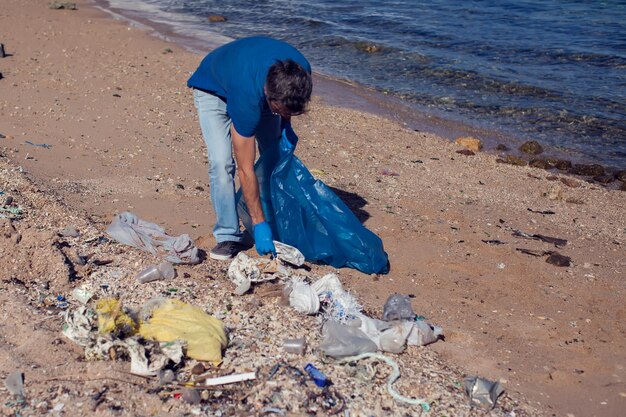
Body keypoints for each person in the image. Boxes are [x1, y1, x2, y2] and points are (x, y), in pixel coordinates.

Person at [188, 36, 312, 260]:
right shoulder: (248, 100)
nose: (283, 114)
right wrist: (258, 224)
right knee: (222, 163)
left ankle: (275, 218)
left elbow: (286, 102)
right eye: (279, 110)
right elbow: (245, 168)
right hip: (213, 87)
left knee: (273, 157)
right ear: (268, 96)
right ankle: (228, 235)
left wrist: (285, 123)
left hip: (248, 78)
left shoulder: (301, 72)